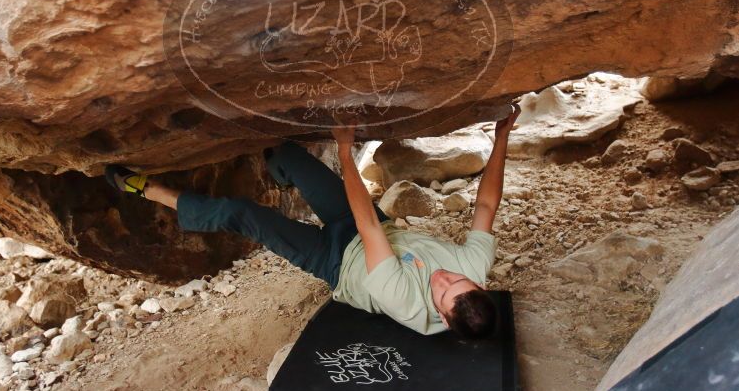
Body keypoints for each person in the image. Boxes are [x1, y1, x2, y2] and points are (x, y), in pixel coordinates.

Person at [105, 104, 520, 339]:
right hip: (374, 228)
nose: (444, 278)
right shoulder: (472, 270)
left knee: (245, 215)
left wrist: (343, 151)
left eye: (444, 292)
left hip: (336, 260)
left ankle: (147, 189)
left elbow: (368, 228)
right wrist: (502, 136)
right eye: (457, 280)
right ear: (479, 283)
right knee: (286, 155)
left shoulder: (407, 302)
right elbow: (485, 206)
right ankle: (276, 168)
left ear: (443, 319)